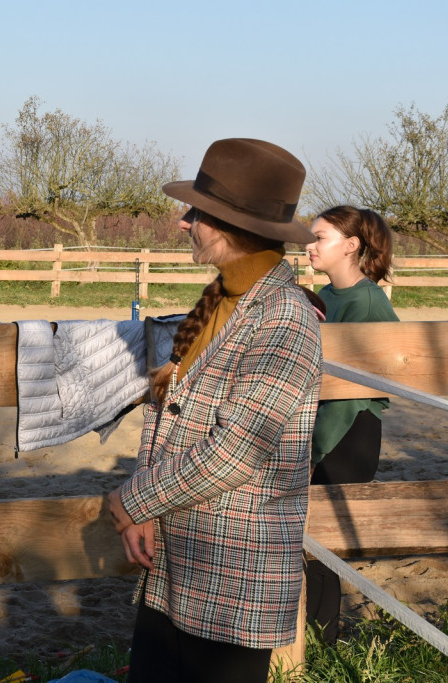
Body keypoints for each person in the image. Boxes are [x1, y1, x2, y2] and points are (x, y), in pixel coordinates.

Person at [106, 138, 323, 683]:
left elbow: (237, 450)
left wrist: (133, 500)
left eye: (197, 211)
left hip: (234, 576)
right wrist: (150, 512)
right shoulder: (225, 298)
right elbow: (175, 423)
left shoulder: (284, 319)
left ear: (228, 226)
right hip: (179, 562)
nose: (184, 222)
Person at [304, 205, 399, 643]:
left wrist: (311, 451)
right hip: (322, 426)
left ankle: (320, 638)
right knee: (308, 538)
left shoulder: (364, 301)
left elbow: (350, 391)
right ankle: (311, 634)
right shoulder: (328, 295)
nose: (309, 245)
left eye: (319, 237)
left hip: (346, 431)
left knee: (320, 541)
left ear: (351, 245)